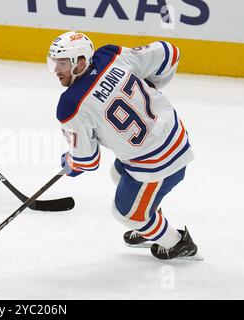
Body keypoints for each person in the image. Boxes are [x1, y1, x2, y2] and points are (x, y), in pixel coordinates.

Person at [49, 31, 200, 260]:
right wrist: (150, 86)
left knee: (127, 215)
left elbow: (86, 162)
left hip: (155, 165)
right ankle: (151, 215)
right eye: (54, 62)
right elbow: (170, 52)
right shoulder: (109, 56)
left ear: (80, 62)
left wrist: (71, 162)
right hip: (174, 135)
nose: (56, 70)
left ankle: (178, 244)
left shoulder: (71, 105)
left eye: (62, 63)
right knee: (117, 173)